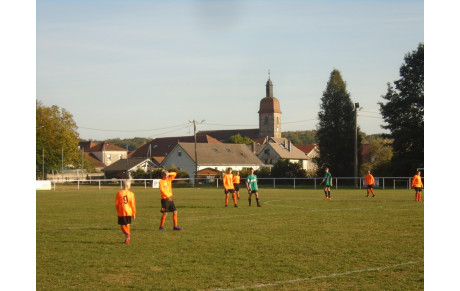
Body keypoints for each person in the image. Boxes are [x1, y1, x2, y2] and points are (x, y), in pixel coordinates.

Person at [115, 180, 136, 244]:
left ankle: (127, 233)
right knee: (127, 224)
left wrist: (118, 209)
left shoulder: (119, 193)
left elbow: (117, 203)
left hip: (122, 211)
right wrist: (133, 213)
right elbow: (133, 204)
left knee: (122, 225)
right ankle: (127, 239)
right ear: (127, 186)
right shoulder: (131, 194)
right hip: (129, 211)